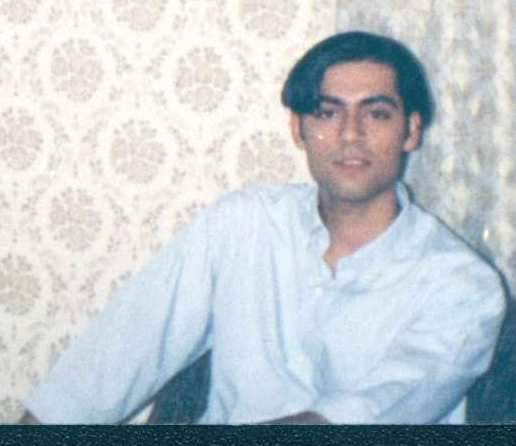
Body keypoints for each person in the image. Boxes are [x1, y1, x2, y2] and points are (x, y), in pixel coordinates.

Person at [20, 31, 505, 425]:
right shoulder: (244, 225)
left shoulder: (462, 286)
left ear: (411, 130)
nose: (350, 133)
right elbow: (118, 354)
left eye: (376, 113)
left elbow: (372, 414)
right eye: (327, 112)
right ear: (298, 129)